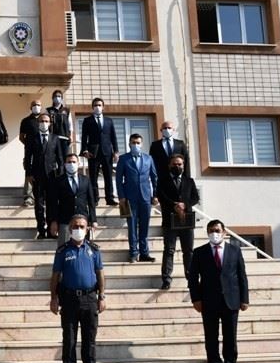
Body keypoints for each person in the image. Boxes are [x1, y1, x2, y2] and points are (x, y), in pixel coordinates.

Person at [188, 220, 249, 363]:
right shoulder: (199, 252)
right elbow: (193, 278)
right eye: (210, 231)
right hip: (209, 301)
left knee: (230, 336)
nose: (214, 234)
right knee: (211, 337)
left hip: (231, 300)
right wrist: (196, 299)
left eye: (216, 230)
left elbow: (242, 276)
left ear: (224, 232)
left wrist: (244, 299)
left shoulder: (235, 251)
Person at [50, 214, 106, 363]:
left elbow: (100, 273)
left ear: (87, 229)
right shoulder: (63, 251)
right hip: (69, 298)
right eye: (75, 226)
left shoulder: (94, 250)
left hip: (90, 298)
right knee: (69, 338)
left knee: (89, 338)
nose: (78, 229)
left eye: (82, 226)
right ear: (69, 229)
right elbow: (55, 276)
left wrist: (102, 296)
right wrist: (53, 298)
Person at [157, 154, 200, 289]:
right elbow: (161, 196)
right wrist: (174, 205)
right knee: (169, 250)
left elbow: (195, 198)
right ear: (169, 165)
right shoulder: (163, 181)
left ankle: (191, 278)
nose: (177, 166)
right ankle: (166, 279)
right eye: (174, 164)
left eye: (179, 164)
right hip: (169, 221)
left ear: (183, 165)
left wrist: (185, 205)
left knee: (188, 251)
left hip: (186, 221)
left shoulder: (189, 181)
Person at [116, 134, 158, 263]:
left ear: (142, 144)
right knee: (132, 226)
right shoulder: (123, 159)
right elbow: (118, 179)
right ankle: (133, 253)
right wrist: (121, 196)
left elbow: (154, 178)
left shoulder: (148, 158)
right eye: (133, 142)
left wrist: (155, 195)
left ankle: (144, 253)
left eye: (138, 142)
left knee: (144, 226)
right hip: (130, 198)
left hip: (145, 197)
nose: (136, 145)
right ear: (129, 144)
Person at [24, 112, 66, 239]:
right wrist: (29, 174)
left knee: (51, 204)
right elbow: (28, 157)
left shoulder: (55, 138)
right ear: (38, 123)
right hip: (37, 176)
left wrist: (60, 174)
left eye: (46, 121)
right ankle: (41, 230)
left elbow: (60, 159)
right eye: (42, 121)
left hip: (52, 176)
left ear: (50, 123)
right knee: (39, 204)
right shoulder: (32, 138)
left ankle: (50, 230)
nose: (44, 123)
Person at [48, 153, 97, 245]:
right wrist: (54, 221)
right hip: (65, 221)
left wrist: (93, 220)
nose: (71, 164)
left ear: (78, 163)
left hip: (82, 221)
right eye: (69, 162)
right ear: (65, 164)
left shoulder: (85, 180)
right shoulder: (58, 181)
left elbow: (91, 202)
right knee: (64, 248)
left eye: (74, 162)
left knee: (83, 248)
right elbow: (53, 203)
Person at [81, 98, 119, 206]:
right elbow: (84, 137)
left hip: (107, 152)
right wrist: (85, 150)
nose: (97, 107)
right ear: (92, 107)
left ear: (103, 107)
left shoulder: (109, 121)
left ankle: (110, 198)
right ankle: (94, 198)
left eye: (99, 105)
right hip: (93, 153)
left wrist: (116, 151)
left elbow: (113, 137)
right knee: (93, 177)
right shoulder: (87, 120)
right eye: (95, 105)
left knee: (108, 176)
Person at [19, 99, 42, 207]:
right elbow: (21, 137)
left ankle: (41, 196)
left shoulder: (45, 120)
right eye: (34, 105)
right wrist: (29, 144)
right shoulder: (26, 121)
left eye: (38, 105)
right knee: (29, 172)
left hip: (42, 151)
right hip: (29, 151)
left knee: (42, 171)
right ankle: (28, 197)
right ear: (30, 107)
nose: (36, 106)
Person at [46, 89, 72, 153]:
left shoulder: (67, 110)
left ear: (62, 98)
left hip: (64, 138)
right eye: (55, 96)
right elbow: (46, 124)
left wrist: (71, 136)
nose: (57, 98)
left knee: (64, 156)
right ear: (52, 98)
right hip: (53, 138)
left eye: (59, 96)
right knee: (53, 156)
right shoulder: (48, 110)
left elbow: (70, 124)